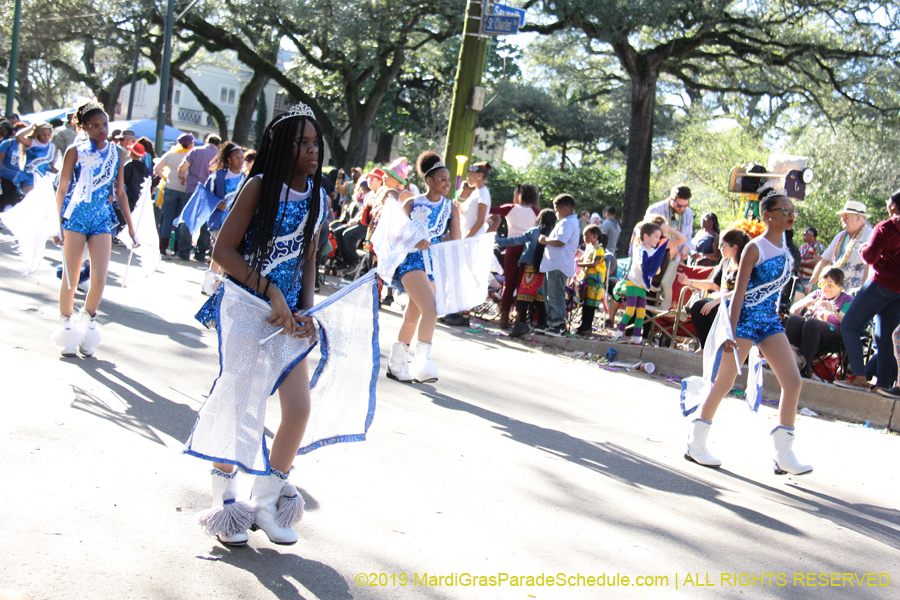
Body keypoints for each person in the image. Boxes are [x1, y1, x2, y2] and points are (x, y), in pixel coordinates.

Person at [190, 105, 326, 546]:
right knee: (240, 402)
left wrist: (307, 309)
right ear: (280, 147)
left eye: (315, 143)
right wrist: (270, 291)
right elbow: (223, 253)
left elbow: (309, 256)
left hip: (289, 318)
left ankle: (267, 504)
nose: (311, 150)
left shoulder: (319, 196)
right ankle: (227, 503)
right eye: (301, 142)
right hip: (249, 307)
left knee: (299, 408)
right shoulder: (259, 188)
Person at [684, 190, 812, 476]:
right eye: (784, 210)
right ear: (767, 215)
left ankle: (784, 453)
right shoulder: (755, 248)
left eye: (792, 210)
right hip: (743, 322)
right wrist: (728, 330)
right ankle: (696, 443)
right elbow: (739, 294)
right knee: (724, 382)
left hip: (769, 323)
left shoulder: (788, 252)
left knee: (792, 382)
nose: (790, 214)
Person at [52, 100, 137, 358]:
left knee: (99, 278)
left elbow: (120, 192)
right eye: (95, 126)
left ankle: (87, 324)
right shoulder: (74, 151)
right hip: (76, 217)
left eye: (105, 125)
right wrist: (56, 223)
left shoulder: (117, 153)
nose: (102, 130)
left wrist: (131, 228)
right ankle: (66, 326)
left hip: (101, 218)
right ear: (84, 128)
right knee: (71, 275)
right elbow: (63, 187)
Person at [385, 151, 460, 383]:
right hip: (411, 261)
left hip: (433, 266)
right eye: (442, 179)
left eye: (448, 179)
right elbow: (393, 234)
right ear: (429, 181)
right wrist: (413, 240)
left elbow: (455, 242)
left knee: (413, 314)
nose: (447, 183)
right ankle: (423, 363)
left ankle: (396, 364)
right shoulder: (411, 203)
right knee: (431, 308)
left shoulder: (451, 208)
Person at [835, 190, 900, 391]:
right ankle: (882, 384)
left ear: (893, 206)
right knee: (885, 336)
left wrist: (863, 248)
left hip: (880, 284)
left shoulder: (886, 227)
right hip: (898, 291)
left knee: (849, 325)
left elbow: (870, 257)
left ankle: (860, 376)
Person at [613, 221, 684, 344]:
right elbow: (642, 264)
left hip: (643, 287)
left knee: (641, 313)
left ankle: (636, 339)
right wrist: (650, 268)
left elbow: (655, 269)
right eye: (656, 237)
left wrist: (655, 269)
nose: (658, 239)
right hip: (633, 284)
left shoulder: (652, 251)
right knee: (630, 311)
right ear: (646, 236)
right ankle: (618, 334)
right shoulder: (640, 249)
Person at [683, 228, 751, 349]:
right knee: (698, 307)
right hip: (720, 300)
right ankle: (705, 347)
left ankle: (719, 348)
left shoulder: (745, 264)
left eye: (722, 245)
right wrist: (689, 282)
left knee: (716, 310)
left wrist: (718, 301)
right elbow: (714, 285)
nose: (719, 248)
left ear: (734, 247)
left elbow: (742, 291)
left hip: (736, 303)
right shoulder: (725, 261)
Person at [487, 183, 541, 328]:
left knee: (508, 284)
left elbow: (489, 209)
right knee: (522, 285)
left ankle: (504, 318)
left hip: (511, 247)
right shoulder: (536, 212)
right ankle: (519, 318)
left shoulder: (510, 208)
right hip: (528, 250)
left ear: (518, 195)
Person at [498, 209, 557, 338]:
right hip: (546, 270)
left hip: (531, 268)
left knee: (523, 297)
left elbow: (516, 241)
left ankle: (522, 324)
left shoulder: (534, 231)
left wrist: (499, 241)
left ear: (539, 219)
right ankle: (542, 325)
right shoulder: (555, 234)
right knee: (541, 299)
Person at [785, 267, 853, 379]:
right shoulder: (817, 294)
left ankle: (806, 368)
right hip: (809, 329)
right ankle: (791, 361)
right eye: (822, 284)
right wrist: (804, 304)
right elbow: (792, 310)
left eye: (830, 285)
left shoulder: (846, 299)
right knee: (795, 320)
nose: (825, 289)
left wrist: (834, 310)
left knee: (812, 324)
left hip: (833, 332)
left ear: (839, 285)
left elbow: (849, 322)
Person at [806, 200, 873, 294]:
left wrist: (863, 290)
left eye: (846, 216)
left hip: (856, 292)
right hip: (834, 290)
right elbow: (824, 261)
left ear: (858, 217)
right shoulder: (840, 236)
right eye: (842, 217)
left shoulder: (870, 235)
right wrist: (811, 283)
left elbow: (870, 266)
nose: (842, 220)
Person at [538, 194, 580, 337]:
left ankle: (558, 325)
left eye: (556, 210)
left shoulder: (567, 223)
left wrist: (545, 240)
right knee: (548, 295)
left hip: (559, 265)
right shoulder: (566, 222)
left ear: (565, 209)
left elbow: (560, 241)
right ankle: (550, 324)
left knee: (555, 295)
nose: (556, 214)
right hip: (553, 264)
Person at [645, 185, 693, 309]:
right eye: (679, 205)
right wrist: (666, 245)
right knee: (649, 294)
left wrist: (684, 248)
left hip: (674, 260)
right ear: (671, 199)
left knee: (667, 294)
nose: (682, 208)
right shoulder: (656, 209)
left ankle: (659, 323)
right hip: (655, 260)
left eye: (685, 205)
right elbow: (646, 234)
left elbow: (688, 236)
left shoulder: (688, 213)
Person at [178, 134, 221, 261]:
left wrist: (182, 178)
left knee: (188, 219)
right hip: (210, 193)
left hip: (193, 189)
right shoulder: (219, 156)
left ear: (206, 141)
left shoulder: (196, 151)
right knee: (206, 224)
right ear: (218, 145)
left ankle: (183, 251)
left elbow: (182, 168)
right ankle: (200, 253)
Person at [155, 133, 193, 256]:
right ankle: (176, 248)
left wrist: (165, 178)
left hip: (170, 187)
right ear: (190, 144)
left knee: (167, 218)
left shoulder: (170, 154)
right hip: (185, 189)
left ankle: (162, 248)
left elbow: (157, 168)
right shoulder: (191, 156)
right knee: (180, 220)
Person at [575, 224, 606, 336]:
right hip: (587, 280)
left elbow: (594, 264)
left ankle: (587, 327)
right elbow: (581, 258)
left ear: (594, 236)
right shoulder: (588, 248)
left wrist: (578, 263)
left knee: (590, 305)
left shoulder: (599, 249)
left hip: (595, 282)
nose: (584, 239)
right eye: (583, 236)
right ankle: (583, 325)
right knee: (585, 303)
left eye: (586, 236)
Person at [15, 122, 58, 193]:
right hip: (30, 176)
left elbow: (51, 166)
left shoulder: (52, 147)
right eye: (43, 134)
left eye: (48, 135)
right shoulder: (32, 142)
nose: (46, 137)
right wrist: (31, 127)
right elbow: (19, 137)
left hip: (45, 178)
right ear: (38, 134)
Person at [461, 161, 491, 238]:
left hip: (473, 239)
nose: (467, 177)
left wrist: (466, 238)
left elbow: (481, 221)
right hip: (468, 237)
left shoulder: (483, 192)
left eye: (470, 174)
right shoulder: (475, 192)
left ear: (479, 176)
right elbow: (468, 214)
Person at [0, 122, 26, 210]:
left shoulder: (27, 145)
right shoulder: (7, 143)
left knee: (15, 202)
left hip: (19, 179)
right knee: (2, 200)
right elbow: (0, 159)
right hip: (5, 177)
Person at [797, 227, 824, 295]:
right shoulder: (803, 246)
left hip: (809, 279)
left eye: (805, 234)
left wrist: (801, 263)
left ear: (811, 235)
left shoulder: (817, 246)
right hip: (800, 278)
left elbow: (817, 261)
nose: (803, 236)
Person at [122, 143, 150, 210]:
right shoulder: (144, 166)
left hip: (129, 196)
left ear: (131, 153)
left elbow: (122, 180)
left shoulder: (129, 165)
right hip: (140, 196)